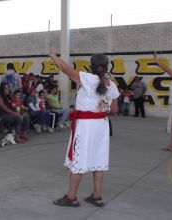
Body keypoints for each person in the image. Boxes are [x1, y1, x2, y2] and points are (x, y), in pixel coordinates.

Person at [48, 45, 119, 208]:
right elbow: (113, 109)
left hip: (86, 126)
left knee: (78, 159)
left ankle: (71, 197)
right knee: (98, 159)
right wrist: (102, 103)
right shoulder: (111, 85)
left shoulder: (88, 78)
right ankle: (97, 196)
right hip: (101, 125)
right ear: (106, 67)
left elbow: (65, 69)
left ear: (92, 66)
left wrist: (53, 55)